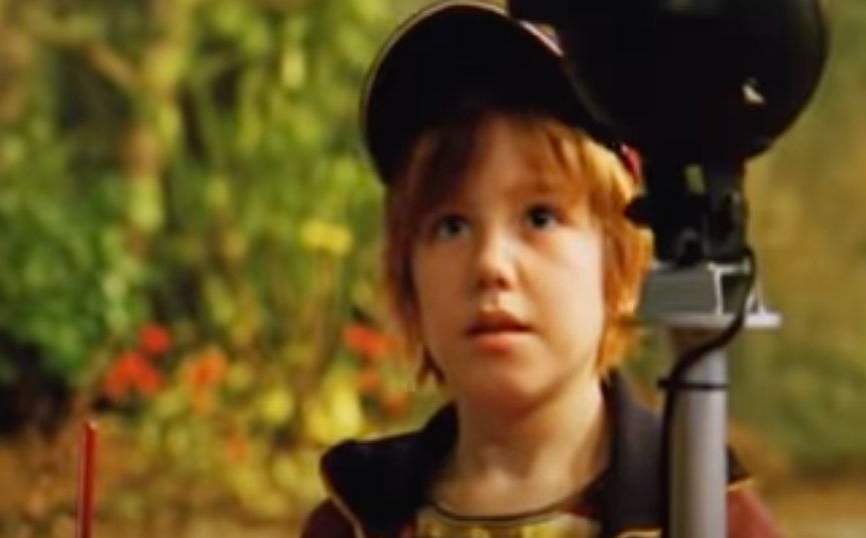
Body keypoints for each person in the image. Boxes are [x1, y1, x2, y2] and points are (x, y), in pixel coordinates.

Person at [300, 2, 786, 538]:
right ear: (406, 275)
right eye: (451, 226)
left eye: (539, 217)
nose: (490, 264)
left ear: (621, 263)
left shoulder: (711, 517)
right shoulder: (352, 520)